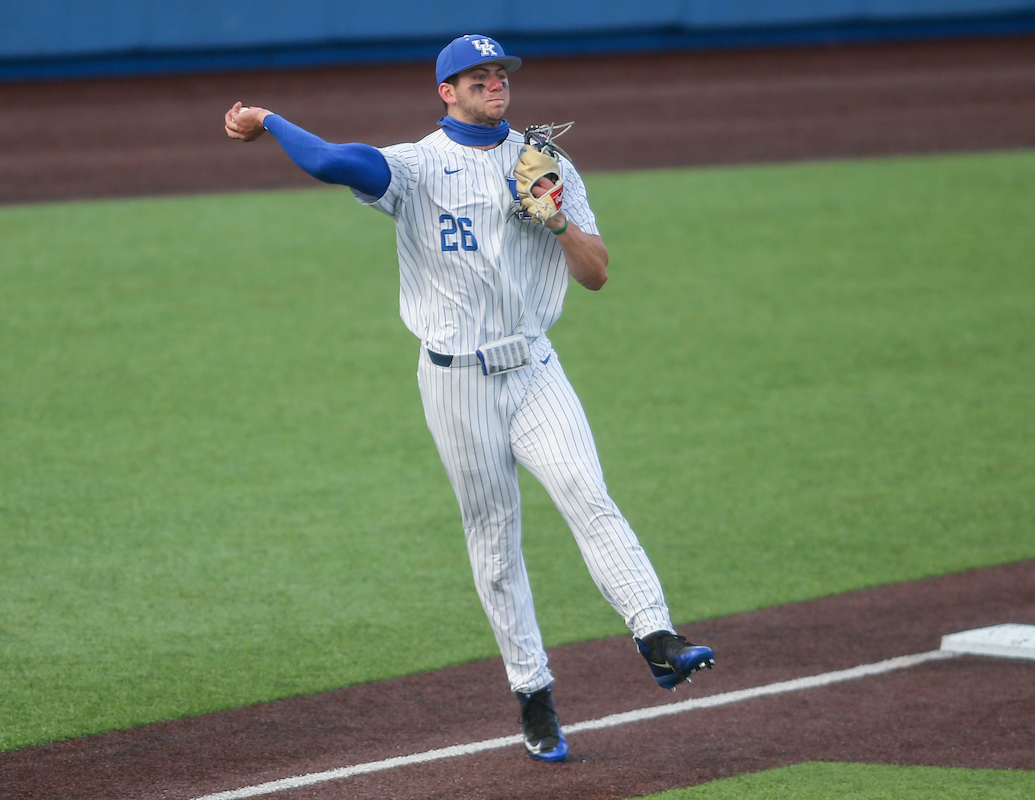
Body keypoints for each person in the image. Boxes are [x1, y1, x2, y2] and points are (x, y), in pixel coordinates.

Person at [224, 34, 714, 762]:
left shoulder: (545, 165)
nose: (494, 82)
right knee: (495, 542)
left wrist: (554, 215)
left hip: (535, 369)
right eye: (476, 75)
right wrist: (267, 119)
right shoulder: (417, 168)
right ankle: (534, 695)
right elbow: (331, 162)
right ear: (446, 92)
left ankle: (657, 637)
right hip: (454, 381)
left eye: (500, 73)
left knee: (587, 490)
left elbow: (596, 273)